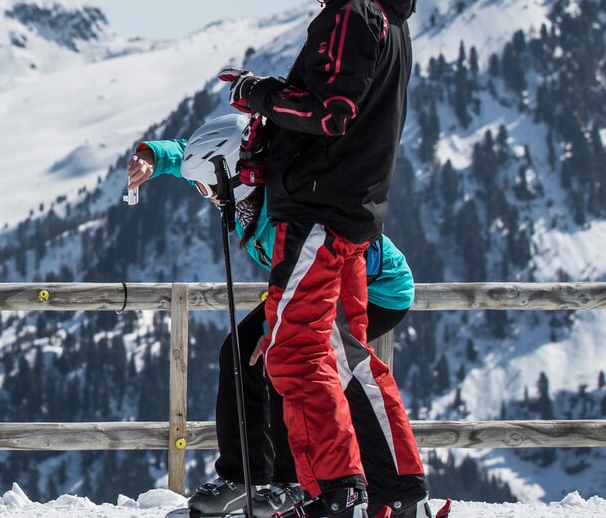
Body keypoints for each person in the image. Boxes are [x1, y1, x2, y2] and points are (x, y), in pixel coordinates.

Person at [216, 0, 426, 518]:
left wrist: (256, 95)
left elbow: (331, 113)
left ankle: (337, 494)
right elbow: (341, 112)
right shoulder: (379, 17)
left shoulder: (353, 15)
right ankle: (397, 494)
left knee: (293, 354)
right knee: (350, 357)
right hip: (347, 215)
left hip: (319, 215)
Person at [127, 113, 425, 518]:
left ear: (235, 177)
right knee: (239, 352)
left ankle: (297, 484)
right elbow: (193, 155)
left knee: (295, 362)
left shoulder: (284, 208)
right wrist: (151, 156)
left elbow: (341, 259)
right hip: (307, 285)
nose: (207, 196)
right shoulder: (243, 184)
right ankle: (243, 475)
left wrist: (278, 328)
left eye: (207, 188)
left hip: (373, 288)